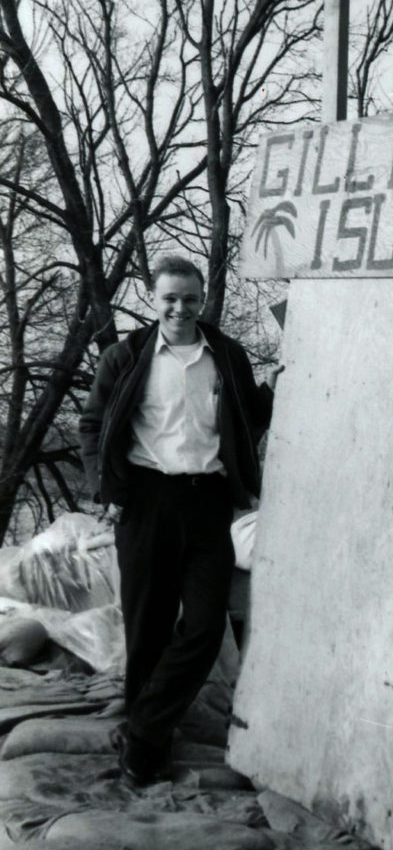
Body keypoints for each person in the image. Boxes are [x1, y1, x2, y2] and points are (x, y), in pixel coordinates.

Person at [79, 254, 280, 785]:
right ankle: (150, 747)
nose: (180, 308)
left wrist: (273, 391)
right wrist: (105, 489)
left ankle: (143, 727)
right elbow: (93, 423)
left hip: (207, 501)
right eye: (170, 298)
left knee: (206, 625)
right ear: (153, 299)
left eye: (190, 298)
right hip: (145, 501)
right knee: (147, 626)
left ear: (201, 299)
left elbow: (244, 420)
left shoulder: (227, 356)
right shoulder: (127, 357)